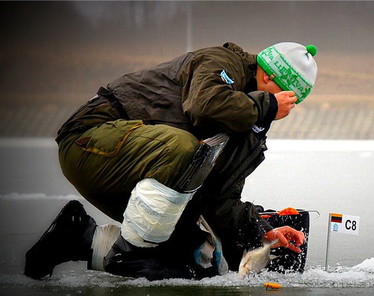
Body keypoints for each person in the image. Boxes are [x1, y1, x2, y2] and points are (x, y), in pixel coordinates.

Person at [24, 42, 318, 280]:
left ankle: (77, 237)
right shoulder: (222, 61)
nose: (285, 110)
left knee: (196, 261)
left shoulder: (248, 120)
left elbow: (219, 198)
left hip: (138, 169)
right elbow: (204, 106)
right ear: (268, 77)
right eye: (286, 99)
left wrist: (262, 230)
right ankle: (134, 254)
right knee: (187, 147)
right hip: (89, 142)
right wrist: (266, 106)